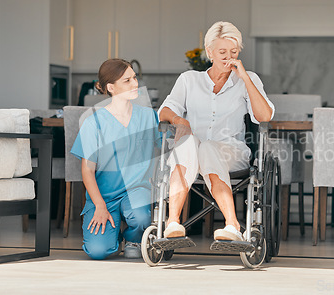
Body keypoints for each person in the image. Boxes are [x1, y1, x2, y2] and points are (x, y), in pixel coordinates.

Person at [159, 21, 275, 241]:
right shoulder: (189, 80)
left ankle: (232, 226)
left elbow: (264, 116)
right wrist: (179, 121)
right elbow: (165, 111)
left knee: (208, 148)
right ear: (209, 52)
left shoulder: (246, 80)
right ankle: (172, 222)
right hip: (191, 153)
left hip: (231, 153)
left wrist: (245, 79)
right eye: (222, 51)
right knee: (190, 144)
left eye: (233, 52)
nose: (228, 56)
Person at [71, 58, 160, 260]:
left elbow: (162, 151)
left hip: (137, 189)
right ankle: (113, 237)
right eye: (127, 80)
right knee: (98, 251)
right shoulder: (93, 121)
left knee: (141, 217)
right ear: (111, 87)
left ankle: (133, 238)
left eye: (135, 78)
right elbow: (87, 171)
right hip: (104, 194)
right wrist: (100, 206)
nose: (135, 84)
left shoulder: (148, 116)